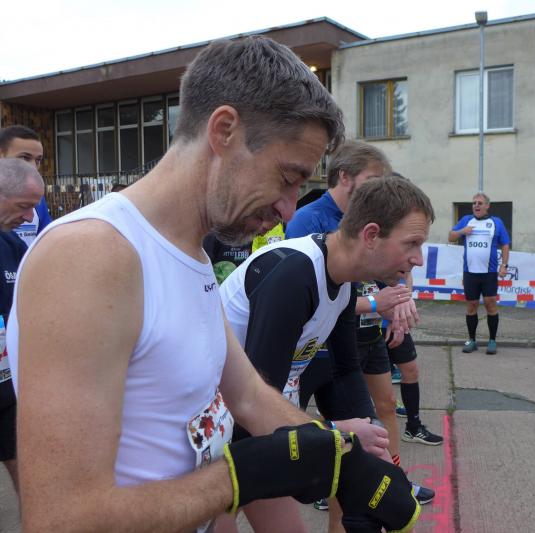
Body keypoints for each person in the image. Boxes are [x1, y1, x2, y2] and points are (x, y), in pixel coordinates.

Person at [7, 37, 419, 533]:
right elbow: (61, 519)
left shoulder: (192, 254)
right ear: (224, 130)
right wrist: (241, 476)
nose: (289, 208)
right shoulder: (90, 256)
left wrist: (343, 460)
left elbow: (247, 396)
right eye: (288, 177)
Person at [219, 176, 434, 532]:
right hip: (216, 431)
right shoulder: (295, 275)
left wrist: (373, 444)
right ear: (371, 235)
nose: (419, 259)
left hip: (259, 425)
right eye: (412, 243)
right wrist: (335, 434)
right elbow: (251, 409)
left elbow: (345, 371)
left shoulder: (343, 280)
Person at [286, 143, 437, 514]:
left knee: (380, 411)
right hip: (316, 346)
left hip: (363, 335)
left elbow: (395, 273)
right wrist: (375, 303)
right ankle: (322, 480)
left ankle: (393, 479)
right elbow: (309, 301)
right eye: (372, 180)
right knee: (306, 432)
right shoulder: (310, 220)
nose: (380, 189)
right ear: (345, 176)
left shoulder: (377, 222)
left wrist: (399, 303)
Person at [0, 159, 43, 503]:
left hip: (7, 389)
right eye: (23, 206)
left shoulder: (13, 246)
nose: (30, 217)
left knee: (30, 486)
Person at [449, 192, 511, 355]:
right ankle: (472, 340)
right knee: (472, 305)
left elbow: (505, 245)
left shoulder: (496, 222)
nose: (476, 205)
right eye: (474, 203)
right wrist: (463, 231)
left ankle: (492, 341)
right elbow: (451, 237)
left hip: (489, 272)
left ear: (487, 206)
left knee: (491, 303)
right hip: (470, 272)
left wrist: (504, 265)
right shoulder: (466, 220)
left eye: (480, 203)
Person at [0, 126, 53, 245]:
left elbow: (47, 240)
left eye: (38, 160)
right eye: (24, 157)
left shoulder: (36, 200)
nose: (33, 166)